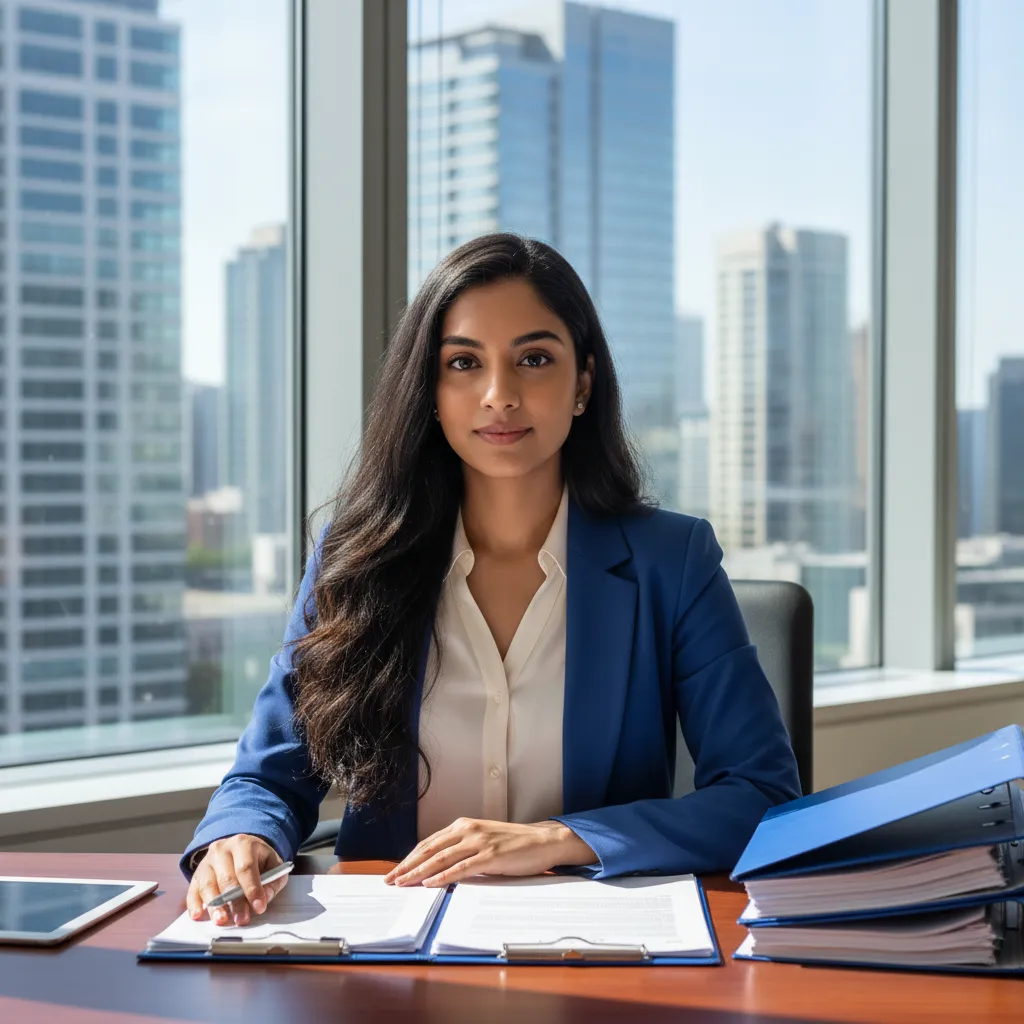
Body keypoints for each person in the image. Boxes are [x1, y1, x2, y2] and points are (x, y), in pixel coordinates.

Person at [182, 233, 800, 927]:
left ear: (583, 385)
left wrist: (556, 841)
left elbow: (761, 795)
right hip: (390, 944)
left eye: (534, 359)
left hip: (594, 945)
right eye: (464, 363)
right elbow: (269, 773)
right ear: (431, 391)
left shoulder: (672, 559)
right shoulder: (353, 558)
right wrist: (243, 836)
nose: (499, 395)